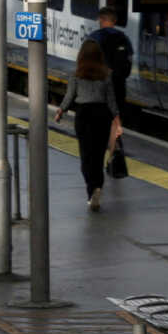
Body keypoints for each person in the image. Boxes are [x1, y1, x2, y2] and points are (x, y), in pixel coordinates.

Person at [53, 37, 122, 212]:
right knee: (98, 155)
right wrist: (117, 119)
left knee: (86, 155)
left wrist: (61, 111)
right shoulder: (106, 75)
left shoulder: (76, 75)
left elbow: (69, 97)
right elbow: (111, 100)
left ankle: (91, 190)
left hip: (84, 115)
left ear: (81, 56)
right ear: (100, 56)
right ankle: (97, 187)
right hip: (102, 115)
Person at [89, 5, 135, 121]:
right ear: (114, 21)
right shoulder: (124, 38)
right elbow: (129, 60)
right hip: (119, 86)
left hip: (100, 86)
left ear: (102, 19)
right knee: (115, 119)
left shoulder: (96, 36)